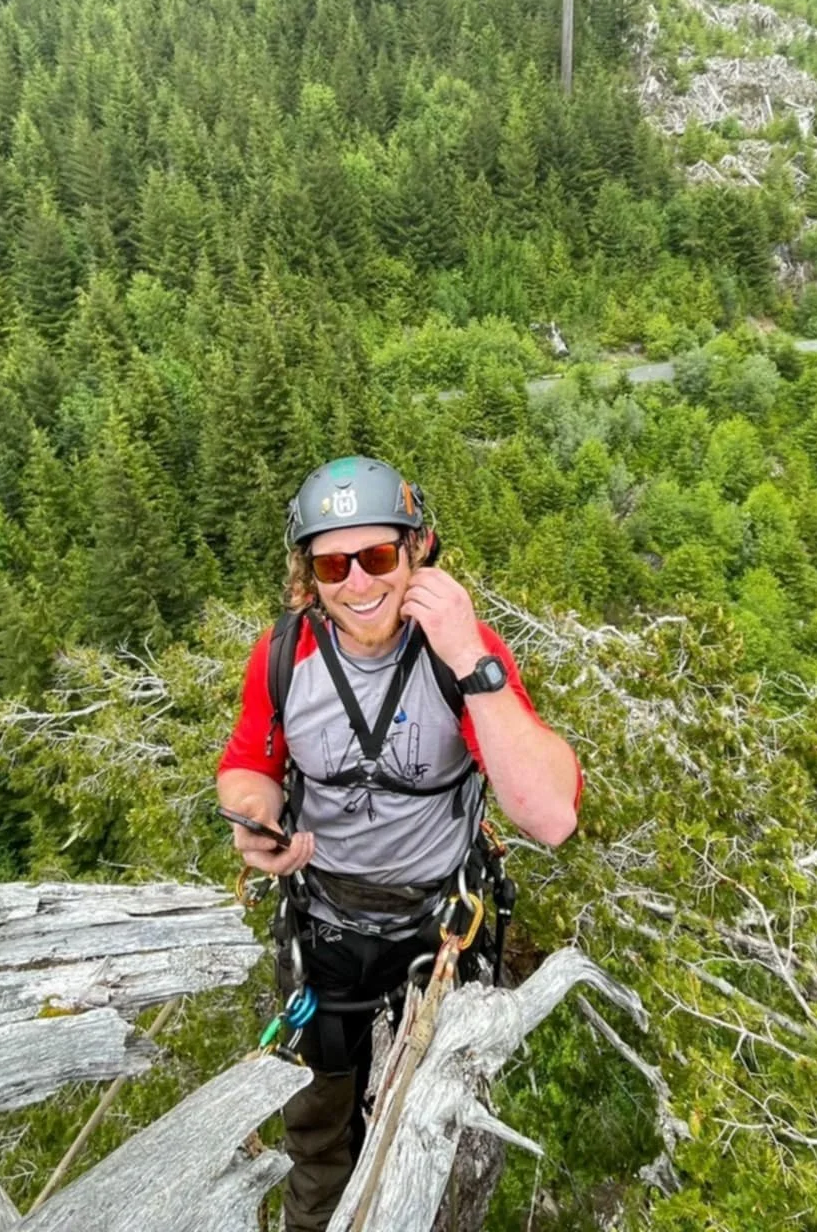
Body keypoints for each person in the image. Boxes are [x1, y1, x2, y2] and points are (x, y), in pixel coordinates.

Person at [216, 456, 581, 1231]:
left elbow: (549, 815)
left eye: (378, 556)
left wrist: (467, 657)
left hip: (438, 923)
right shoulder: (284, 656)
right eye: (332, 563)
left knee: (430, 1133)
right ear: (307, 574)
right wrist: (257, 818)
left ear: (418, 551)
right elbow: (251, 763)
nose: (358, 582)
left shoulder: (464, 655)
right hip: (327, 923)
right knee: (318, 1133)